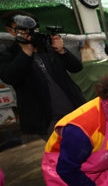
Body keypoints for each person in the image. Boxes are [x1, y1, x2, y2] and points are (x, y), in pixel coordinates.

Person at [0, 10, 86, 141]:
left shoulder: (46, 48)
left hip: (76, 110)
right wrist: (26, 52)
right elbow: (11, 77)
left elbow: (76, 68)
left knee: (93, 148)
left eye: (33, 28)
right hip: (48, 121)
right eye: (23, 29)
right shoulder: (8, 55)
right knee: (68, 155)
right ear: (11, 31)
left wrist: (62, 51)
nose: (30, 33)